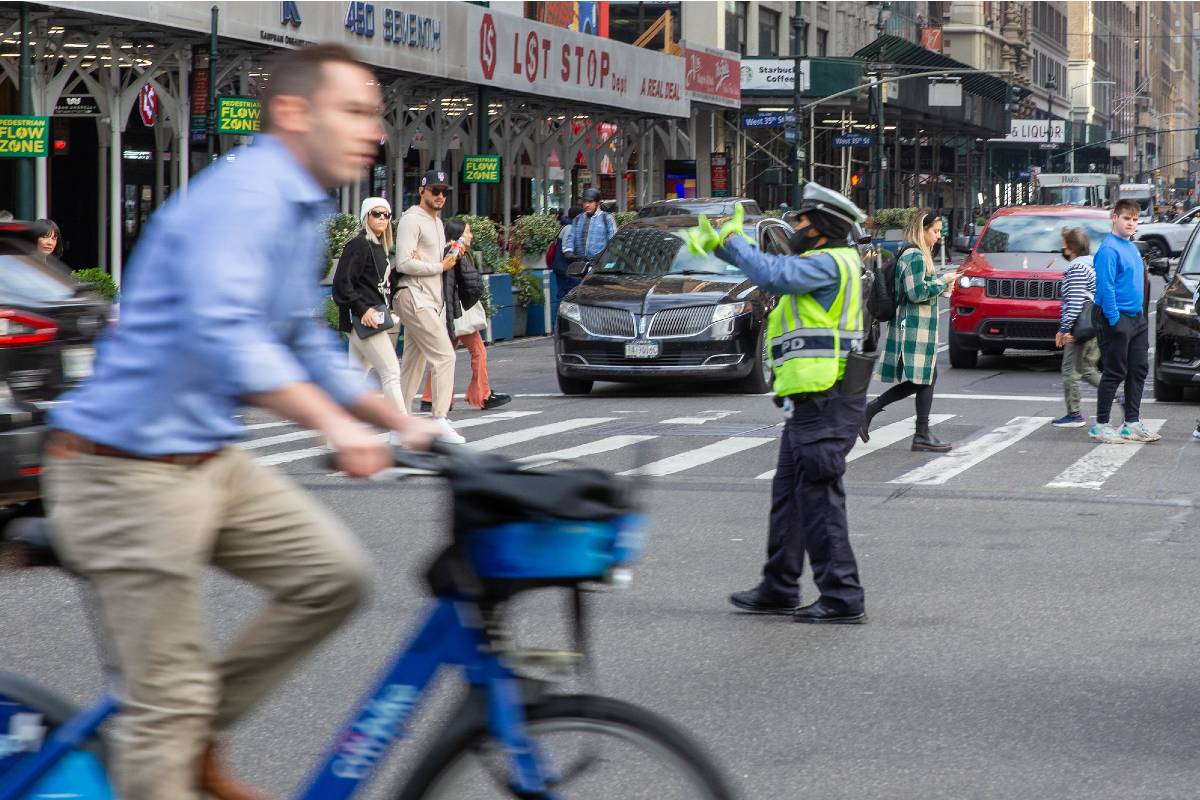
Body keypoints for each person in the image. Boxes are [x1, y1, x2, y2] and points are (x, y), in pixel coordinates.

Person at [41, 44, 441, 800]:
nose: (375, 132)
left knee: (334, 578)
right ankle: (170, 743)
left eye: (377, 116)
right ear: (294, 113)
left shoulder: (299, 206)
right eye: (354, 112)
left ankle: (191, 736)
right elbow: (227, 338)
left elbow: (294, 340)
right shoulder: (245, 198)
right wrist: (338, 427)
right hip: (121, 467)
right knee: (165, 703)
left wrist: (393, 420)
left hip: (206, 458)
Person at [721, 183, 871, 624]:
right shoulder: (819, 261)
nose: (796, 225)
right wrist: (731, 248)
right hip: (812, 401)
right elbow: (774, 267)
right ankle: (779, 586)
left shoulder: (830, 262)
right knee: (789, 495)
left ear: (823, 227)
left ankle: (842, 596)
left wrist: (733, 241)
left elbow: (775, 276)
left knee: (819, 500)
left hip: (828, 400)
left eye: (804, 220)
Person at [859, 209, 956, 452]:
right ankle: (918, 433)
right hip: (912, 326)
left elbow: (921, 289)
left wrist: (945, 288)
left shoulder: (919, 255)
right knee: (924, 378)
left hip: (919, 325)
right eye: (934, 231)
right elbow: (916, 293)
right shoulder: (914, 255)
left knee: (924, 378)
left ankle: (914, 430)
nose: (938, 237)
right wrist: (943, 281)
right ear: (922, 230)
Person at [394, 170, 466, 444]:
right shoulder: (413, 220)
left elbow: (418, 259)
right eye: (434, 190)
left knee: (413, 364)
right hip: (414, 296)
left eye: (444, 192)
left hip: (427, 299)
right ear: (421, 190)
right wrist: (439, 265)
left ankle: (397, 425)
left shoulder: (436, 222)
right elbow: (403, 263)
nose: (440, 196)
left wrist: (445, 254)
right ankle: (438, 420)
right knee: (445, 356)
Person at [332, 197, 408, 433]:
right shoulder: (360, 244)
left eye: (387, 214)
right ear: (366, 217)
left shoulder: (377, 247)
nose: (383, 218)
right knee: (391, 372)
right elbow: (341, 284)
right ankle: (406, 430)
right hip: (365, 320)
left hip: (368, 319)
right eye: (377, 213)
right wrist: (363, 309)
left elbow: (375, 283)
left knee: (354, 381)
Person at [419, 218, 512, 412]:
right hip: (457, 312)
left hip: (451, 311)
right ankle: (482, 394)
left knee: (446, 355)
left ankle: (430, 397)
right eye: (467, 232)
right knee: (478, 351)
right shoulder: (455, 252)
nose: (471, 235)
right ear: (458, 235)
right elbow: (462, 284)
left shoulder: (448, 252)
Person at [1090, 198, 1161, 444]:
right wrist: (1114, 319)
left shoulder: (1131, 247)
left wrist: (1138, 317)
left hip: (1136, 318)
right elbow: (1105, 287)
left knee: (1138, 369)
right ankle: (1100, 425)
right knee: (1114, 371)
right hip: (1115, 317)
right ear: (1114, 218)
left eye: (1134, 219)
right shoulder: (1108, 249)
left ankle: (1131, 423)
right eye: (1126, 218)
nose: (1131, 223)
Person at [1053, 228, 1102, 428]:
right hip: (1093, 326)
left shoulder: (1077, 269)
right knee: (1088, 369)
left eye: (1065, 243)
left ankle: (1074, 414)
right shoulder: (1092, 265)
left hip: (1079, 329)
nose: (1062, 247)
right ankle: (1119, 395)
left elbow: (1074, 303)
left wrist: (1065, 330)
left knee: (1070, 372)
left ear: (1071, 247)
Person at [561, 187, 615, 265]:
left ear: (596, 203)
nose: (586, 205)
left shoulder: (607, 218)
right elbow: (571, 237)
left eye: (590, 202)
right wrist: (568, 251)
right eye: (584, 202)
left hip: (600, 264)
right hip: (580, 263)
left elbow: (613, 241)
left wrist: (607, 258)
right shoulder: (578, 219)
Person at [552, 205, 584, 301]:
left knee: (564, 295)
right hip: (565, 269)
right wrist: (579, 257)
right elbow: (566, 250)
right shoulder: (570, 228)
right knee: (567, 296)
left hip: (562, 268)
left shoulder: (565, 226)